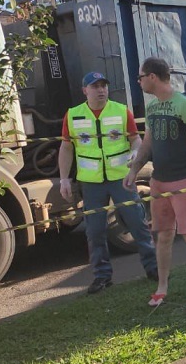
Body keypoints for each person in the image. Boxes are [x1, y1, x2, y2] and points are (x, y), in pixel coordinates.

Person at [124, 57, 186, 311]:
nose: (139, 82)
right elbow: (147, 143)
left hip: (185, 182)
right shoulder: (153, 106)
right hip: (159, 182)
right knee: (163, 235)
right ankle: (162, 287)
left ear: (153, 77)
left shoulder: (184, 105)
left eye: (140, 77)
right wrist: (134, 170)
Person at [58, 72, 158, 294]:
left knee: (138, 224)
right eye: (95, 86)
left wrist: (135, 157)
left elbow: (136, 139)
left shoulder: (121, 111)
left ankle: (153, 270)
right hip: (91, 182)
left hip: (122, 178)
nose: (101, 90)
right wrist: (64, 178)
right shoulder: (73, 115)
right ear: (85, 90)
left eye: (104, 85)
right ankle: (102, 277)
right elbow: (66, 147)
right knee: (94, 232)